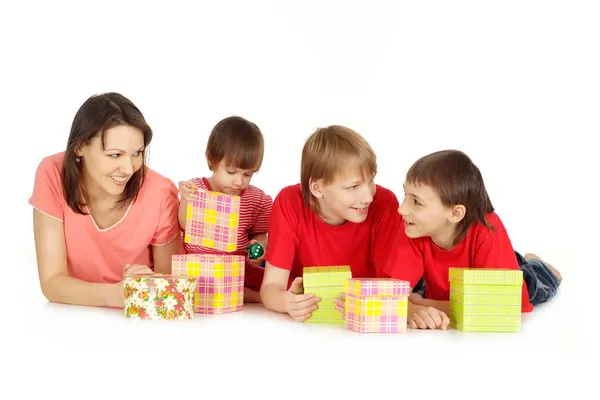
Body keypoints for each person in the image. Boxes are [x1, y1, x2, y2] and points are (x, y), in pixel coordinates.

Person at [259, 125, 448, 327]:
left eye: (371, 180)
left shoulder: (384, 203)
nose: (368, 197)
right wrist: (287, 302)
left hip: (371, 301)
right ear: (317, 188)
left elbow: (393, 289)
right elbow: (271, 287)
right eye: (353, 187)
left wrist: (408, 309)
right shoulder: (289, 202)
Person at [29, 92, 183, 309]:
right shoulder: (53, 173)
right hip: (70, 319)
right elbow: (52, 283)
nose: (129, 169)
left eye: (137, 153)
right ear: (80, 146)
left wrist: (144, 284)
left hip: (137, 323)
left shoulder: (159, 192)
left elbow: (171, 288)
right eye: (115, 155)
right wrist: (116, 293)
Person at [385, 149, 562, 329]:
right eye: (405, 195)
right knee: (419, 290)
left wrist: (425, 304)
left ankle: (539, 264)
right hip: (448, 285)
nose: (402, 209)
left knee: (538, 283)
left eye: (416, 201)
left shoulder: (488, 230)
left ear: (455, 213)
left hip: (501, 276)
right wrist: (410, 310)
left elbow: (505, 308)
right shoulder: (412, 224)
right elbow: (391, 294)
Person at [177, 116, 273, 303]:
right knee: (197, 284)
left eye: (247, 174)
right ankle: (256, 297)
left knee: (274, 281)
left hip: (238, 268)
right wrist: (186, 200)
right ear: (212, 159)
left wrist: (259, 245)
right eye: (231, 172)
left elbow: (262, 232)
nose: (239, 182)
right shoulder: (196, 189)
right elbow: (184, 225)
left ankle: (257, 294)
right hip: (199, 268)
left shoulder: (255, 198)